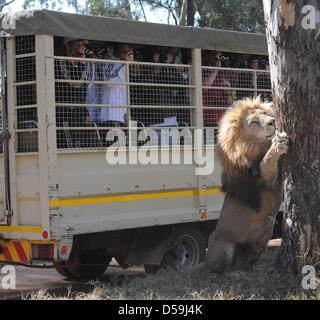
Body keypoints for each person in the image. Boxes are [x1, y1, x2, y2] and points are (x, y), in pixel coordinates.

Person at [55, 38, 93, 148]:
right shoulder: (59, 64)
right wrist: (80, 63)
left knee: (81, 145)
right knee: (68, 145)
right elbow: (72, 83)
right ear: (68, 45)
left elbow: (82, 91)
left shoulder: (80, 67)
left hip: (78, 115)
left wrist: (85, 112)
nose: (81, 47)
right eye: (78, 43)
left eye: (83, 44)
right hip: (65, 114)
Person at [202, 50, 233, 127]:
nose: (217, 59)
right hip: (206, 117)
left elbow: (230, 103)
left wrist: (228, 91)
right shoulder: (203, 70)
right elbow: (204, 87)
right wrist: (216, 69)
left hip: (220, 118)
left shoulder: (222, 74)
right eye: (215, 56)